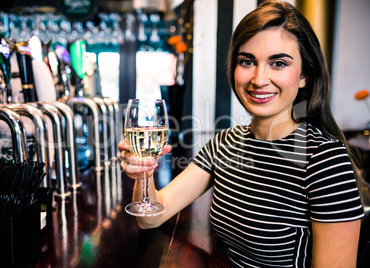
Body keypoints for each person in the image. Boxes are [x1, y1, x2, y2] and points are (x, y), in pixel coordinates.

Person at [119, 0, 366, 267]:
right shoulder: (224, 144)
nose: (259, 79)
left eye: (278, 63)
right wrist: (143, 172)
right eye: (247, 61)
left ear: (305, 75)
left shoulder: (326, 160)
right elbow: (150, 218)